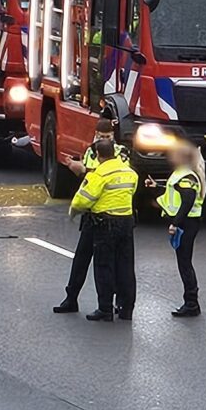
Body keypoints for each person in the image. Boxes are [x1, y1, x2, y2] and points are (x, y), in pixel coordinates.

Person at [68, 133, 141, 321]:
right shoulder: (129, 172)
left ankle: (105, 309)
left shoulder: (99, 174)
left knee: (104, 266)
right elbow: (131, 191)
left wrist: (73, 213)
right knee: (125, 267)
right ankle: (126, 309)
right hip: (126, 222)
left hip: (105, 223)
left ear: (99, 155)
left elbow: (82, 201)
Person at [160, 146, 206, 317]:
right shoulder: (182, 173)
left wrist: (175, 223)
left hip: (187, 224)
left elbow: (187, 201)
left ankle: (191, 303)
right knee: (184, 262)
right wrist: (156, 186)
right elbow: (175, 197)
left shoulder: (186, 176)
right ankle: (191, 302)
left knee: (185, 264)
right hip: (187, 223)